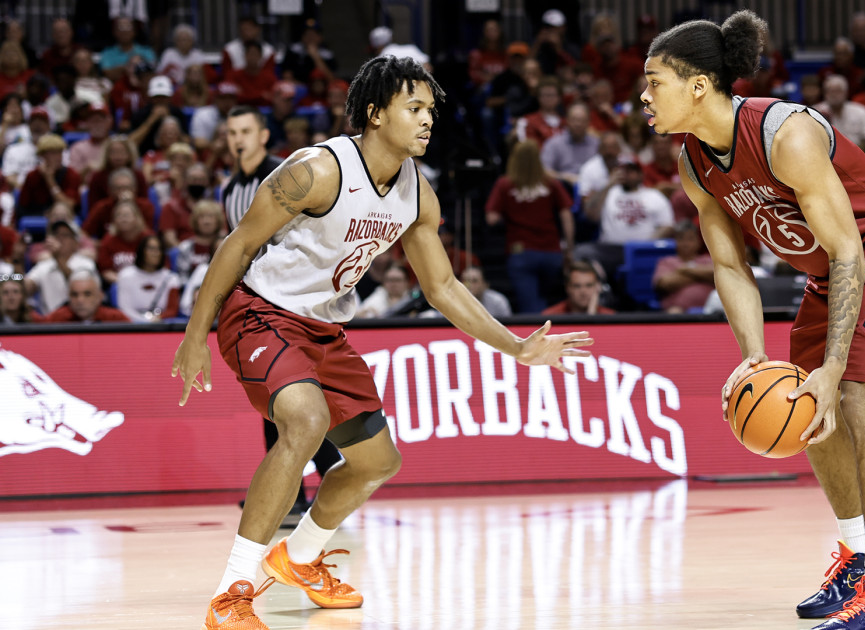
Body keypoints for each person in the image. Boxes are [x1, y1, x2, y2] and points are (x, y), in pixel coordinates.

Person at [171, 55, 592, 630]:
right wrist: (195, 335)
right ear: (374, 114)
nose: (427, 121)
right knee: (305, 422)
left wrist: (515, 347)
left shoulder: (417, 192)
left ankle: (298, 559)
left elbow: (442, 286)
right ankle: (232, 593)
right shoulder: (317, 170)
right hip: (260, 312)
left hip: (322, 328)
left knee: (377, 461)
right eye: (413, 108)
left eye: (430, 111)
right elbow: (237, 245)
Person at [641, 10, 865, 629]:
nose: (644, 96)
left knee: (856, 400)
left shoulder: (786, 134)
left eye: (654, 82)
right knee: (809, 410)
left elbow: (850, 249)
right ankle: (857, 559)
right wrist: (754, 356)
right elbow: (730, 267)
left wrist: (833, 366)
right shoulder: (694, 164)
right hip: (830, 270)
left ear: (698, 85)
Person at [218, 102, 338, 526]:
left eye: (246, 130)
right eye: (232, 132)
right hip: (256, 304)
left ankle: (323, 481)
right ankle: (296, 490)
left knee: (290, 402)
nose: (238, 139)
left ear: (263, 135)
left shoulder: (287, 175)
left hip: (297, 302)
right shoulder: (228, 189)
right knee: (274, 402)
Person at [485, 140, 574, 313]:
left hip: (521, 251)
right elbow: (566, 215)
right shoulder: (551, 183)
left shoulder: (505, 184)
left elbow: (491, 218)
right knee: (544, 299)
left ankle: (536, 335)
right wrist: (569, 248)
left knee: (531, 305)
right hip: (551, 251)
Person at [24, 219, 97, 314]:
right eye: (56, 235)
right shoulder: (45, 264)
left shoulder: (85, 263)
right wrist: (15, 268)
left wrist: (58, 257)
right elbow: (26, 286)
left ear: (76, 243)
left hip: (78, 321)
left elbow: (77, 287)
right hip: (50, 323)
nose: (60, 238)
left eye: (65, 235)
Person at [115, 234, 182, 322]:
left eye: (159, 249)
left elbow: (172, 310)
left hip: (160, 324)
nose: (156, 253)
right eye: (151, 249)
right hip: (132, 325)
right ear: (141, 250)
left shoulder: (171, 278)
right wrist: (143, 321)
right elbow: (124, 308)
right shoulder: (125, 276)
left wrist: (158, 318)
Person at [652, 220, 715, 313]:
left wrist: (685, 270)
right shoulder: (666, 261)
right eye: (681, 239)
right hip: (678, 309)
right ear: (675, 242)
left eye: (690, 239)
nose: (686, 243)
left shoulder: (707, 259)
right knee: (674, 312)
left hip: (711, 310)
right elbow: (665, 284)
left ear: (698, 242)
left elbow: (718, 274)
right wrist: (703, 276)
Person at [43, 268, 129, 323]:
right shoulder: (56, 319)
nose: (80, 300)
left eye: (87, 294)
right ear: (68, 296)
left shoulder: (116, 319)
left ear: (100, 296)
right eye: (74, 295)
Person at [542, 260, 616, 315]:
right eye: (577, 286)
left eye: (589, 285)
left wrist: (592, 314)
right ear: (567, 288)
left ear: (597, 287)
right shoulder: (550, 317)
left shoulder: (610, 316)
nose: (583, 292)